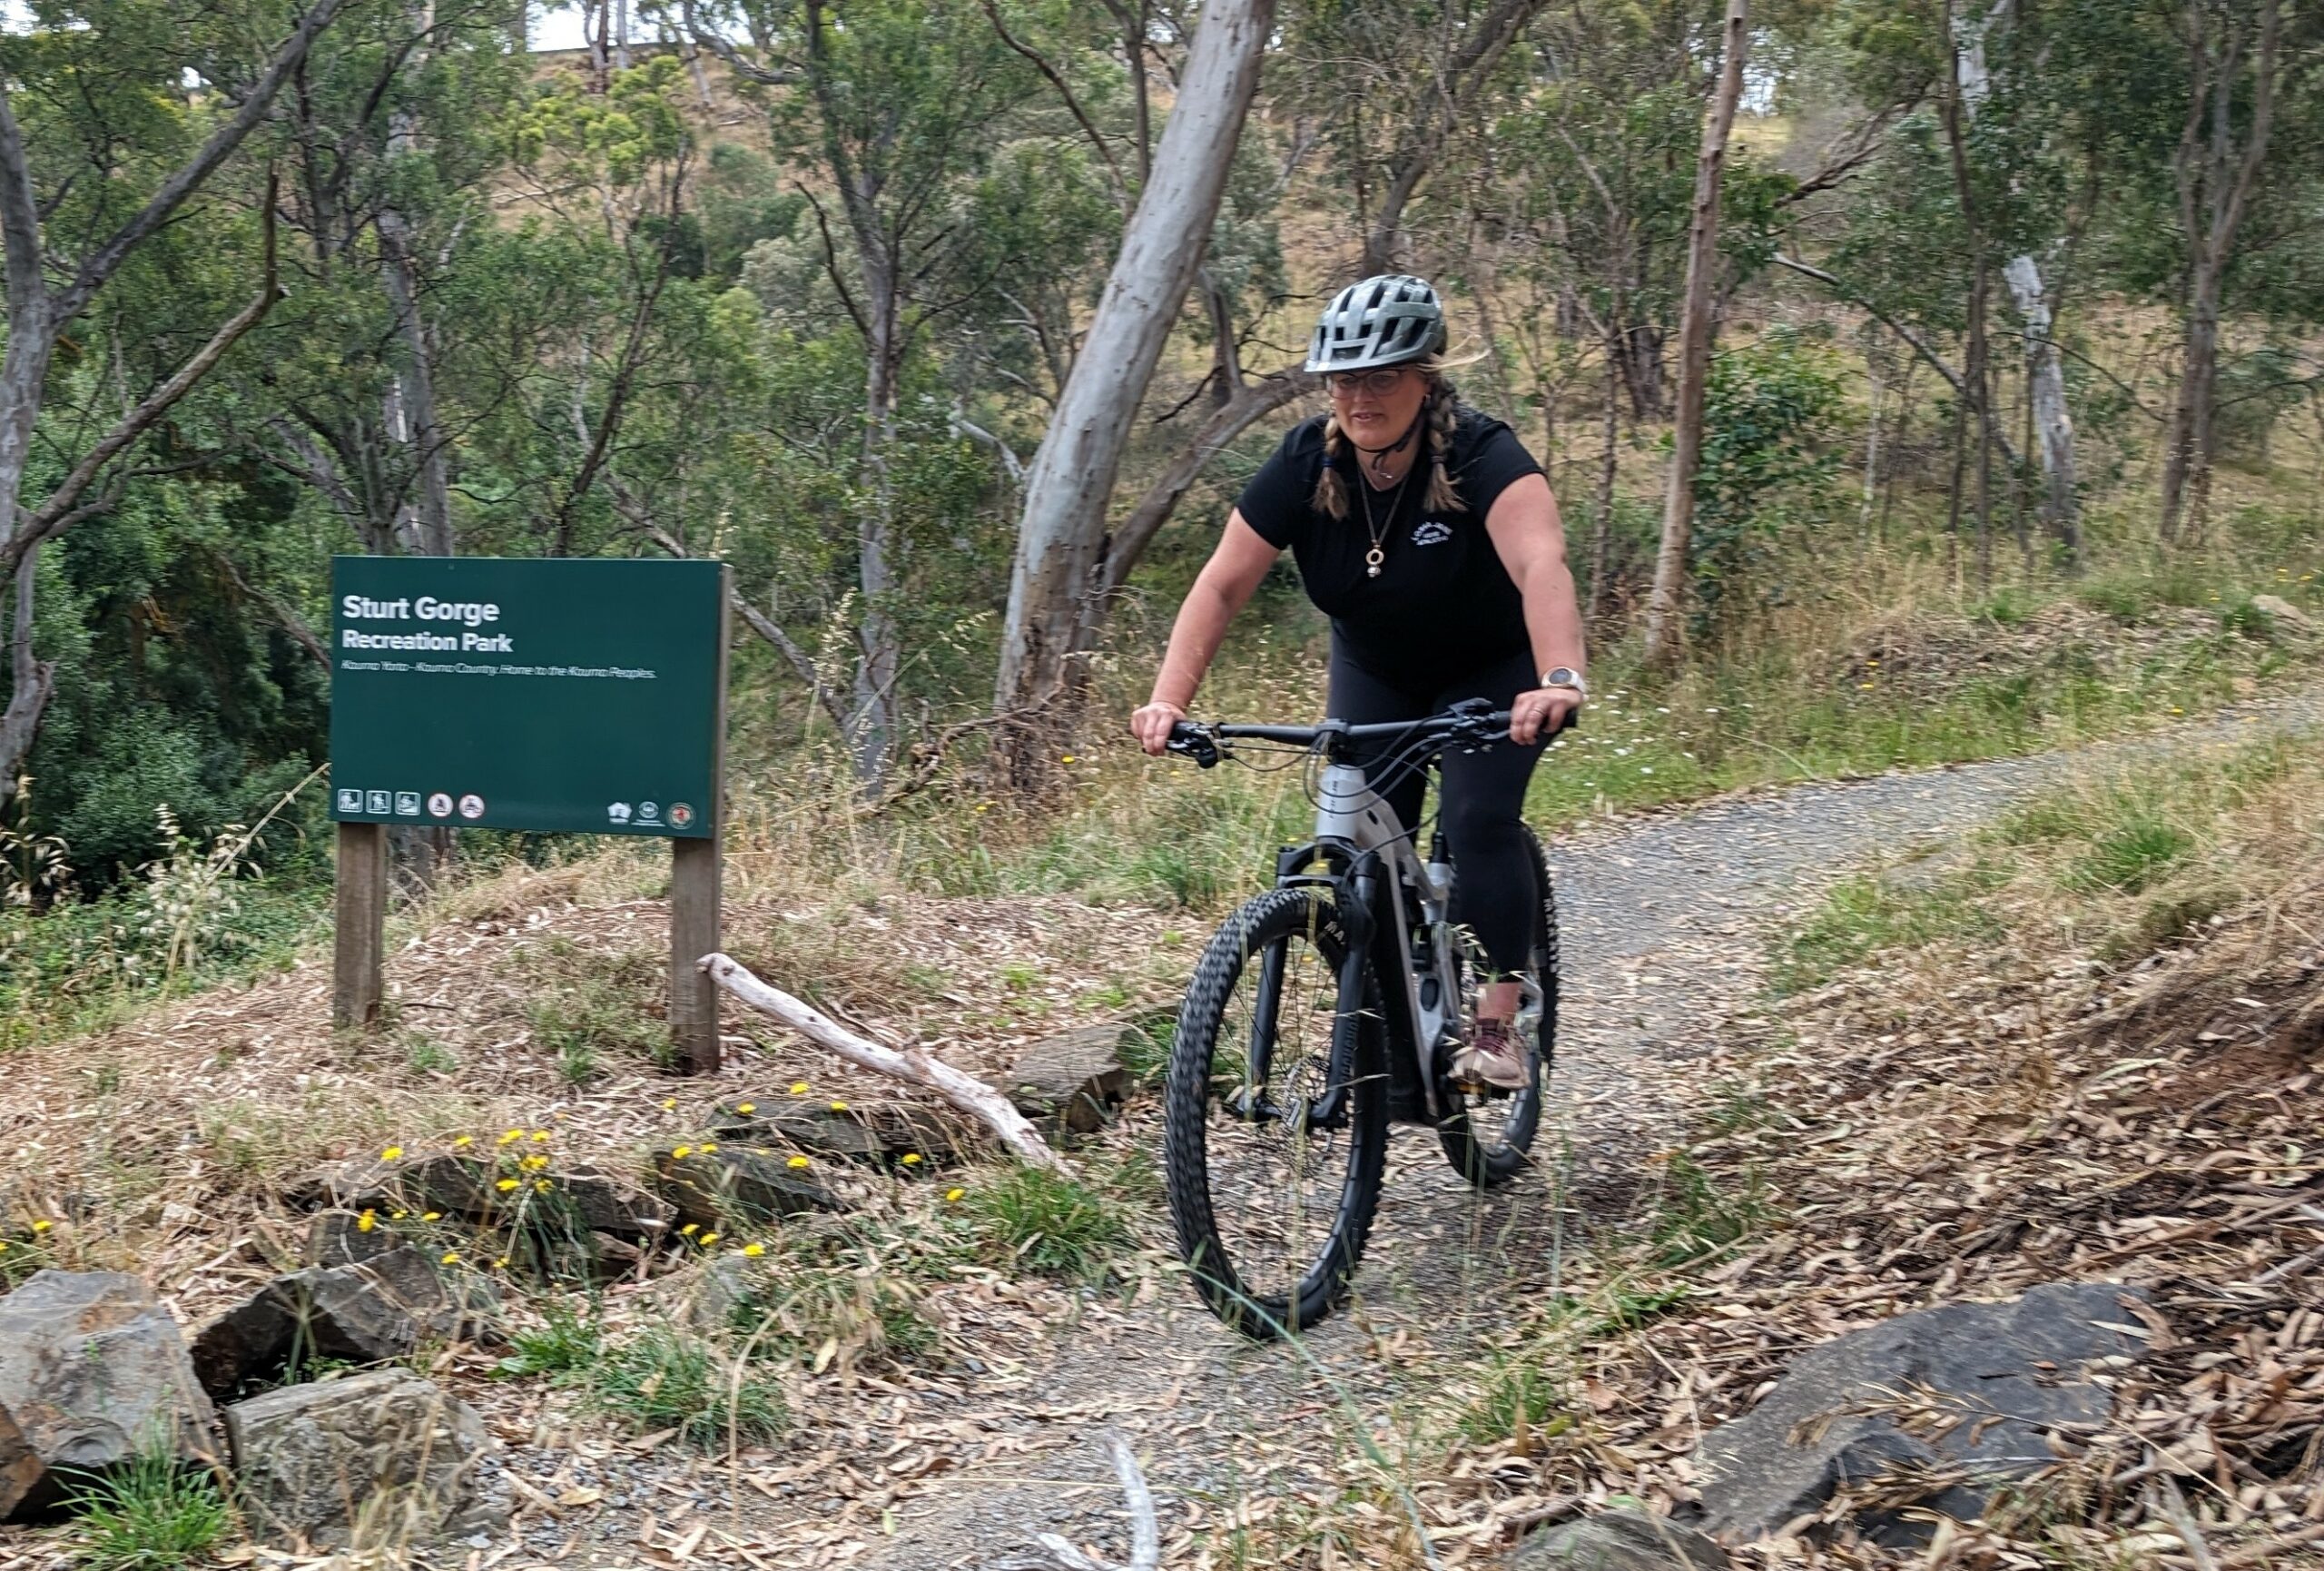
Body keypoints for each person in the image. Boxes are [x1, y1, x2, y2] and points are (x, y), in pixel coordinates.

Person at [1129, 274, 1587, 1091]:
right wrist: (1171, 699)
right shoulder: (1308, 460)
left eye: (1382, 377)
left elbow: (1540, 561)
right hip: (1377, 670)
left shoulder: (1484, 455)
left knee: (1480, 819)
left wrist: (1557, 676)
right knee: (1354, 851)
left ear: (1426, 377)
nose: (1359, 396)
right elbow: (1223, 583)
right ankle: (1385, 1033)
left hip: (1494, 671)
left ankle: (1495, 1022)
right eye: (1343, 378)